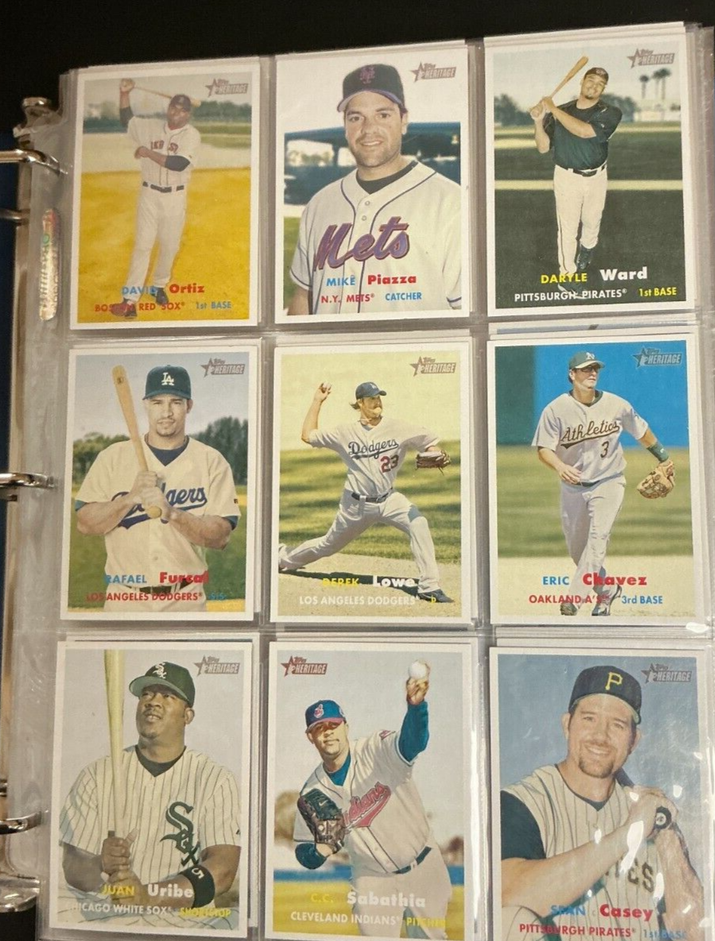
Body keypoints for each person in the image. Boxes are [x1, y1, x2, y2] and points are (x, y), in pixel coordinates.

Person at [500, 665, 704, 941]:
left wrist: (666, 835)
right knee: (507, 921)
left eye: (617, 725)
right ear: (567, 725)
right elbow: (509, 892)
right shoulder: (523, 801)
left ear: (634, 740)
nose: (600, 736)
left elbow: (699, 940)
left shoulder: (651, 813)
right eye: (589, 719)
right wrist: (628, 834)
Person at [60, 662, 241, 921]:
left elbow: (223, 870)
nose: (153, 702)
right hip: (107, 915)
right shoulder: (97, 774)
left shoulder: (214, 779)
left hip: (185, 921)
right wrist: (100, 862)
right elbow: (73, 868)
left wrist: (148, 895)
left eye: (168, 696)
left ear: (187, 716)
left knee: (231, 922)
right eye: (147, 694)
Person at [287, 63, 462, 315]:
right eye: (356, 117)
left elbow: (465, 310)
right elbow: (304, 296)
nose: (368, 128)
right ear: (345, 126)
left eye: (383, 115)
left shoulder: (450, 201)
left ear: (404, 120)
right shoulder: (319, 204)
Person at [293, 672, 453, 938]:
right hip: (371, 877)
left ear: (346, 727)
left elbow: (413, 742)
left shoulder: (375, 749)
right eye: (318, 728)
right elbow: (302, 849)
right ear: (310, 737)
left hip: (423, 864)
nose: (327, 732)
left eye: (333, 725)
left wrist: (416, 708)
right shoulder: (312, 791)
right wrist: (319, 851)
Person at [75, 364, 239, 611]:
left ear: (189, 406)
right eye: (157, 402)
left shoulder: (211, 461)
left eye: (176, 402)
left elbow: (220, 536)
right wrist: (130, 498)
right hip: (124, 599)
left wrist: (172, 513)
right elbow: (85, 523)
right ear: (145, 405)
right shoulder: (112, 457)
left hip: (185, 600)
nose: (166, 412)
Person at [278, 380, 453, 602]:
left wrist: (433, 451)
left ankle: (429, 587)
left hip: (389, 500)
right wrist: (317, 401)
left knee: (418, 523)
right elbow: (307, 435)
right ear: (360, 403)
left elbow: (430, 442)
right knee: (327, 546)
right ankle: (282, 558)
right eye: (372, 398)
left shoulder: (398, 427)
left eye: (379, 397)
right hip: (356, 506)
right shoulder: (344, 432)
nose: (377, 402)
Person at [532, 350, 674, 616]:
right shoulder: (555, 409)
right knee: (578, 552)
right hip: (573, 488)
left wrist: (664, 458)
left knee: (597, 539)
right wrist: (560, 466)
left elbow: (642, 432)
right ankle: (608, 590)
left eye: (595, 368)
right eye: (586, 369)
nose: (592, 373)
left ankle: (574, 599)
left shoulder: (617, 404)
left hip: (609, 482)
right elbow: (543, 449)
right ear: (572, 374)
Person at [109, 80, 201, 318]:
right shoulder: (149, 127)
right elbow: (126, 120)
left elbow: (178, 163)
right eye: (173, 107)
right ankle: (129, 301)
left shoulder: (192, 135)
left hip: (175, 197)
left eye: (182, 110)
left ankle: (158, 286)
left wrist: (146, 152)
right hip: (149, 195)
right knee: (142, 245)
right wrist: (124, 94)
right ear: (168, 108)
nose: (177, 113)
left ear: (188, 114)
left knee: (169, 247)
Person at [530, 67, 622, 276]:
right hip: (567, 177)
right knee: (568, 229)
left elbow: (584, 131)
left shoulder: (610, 112)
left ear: (604, 89)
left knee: (592, 221)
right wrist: (538, 121)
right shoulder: (562, 110)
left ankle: (587, 248)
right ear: (581, 81)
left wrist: (553, 109)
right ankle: (567, 274)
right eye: (591, 80)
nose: (594, 86)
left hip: (597, 176)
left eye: (600, 84)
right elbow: (543, 147)